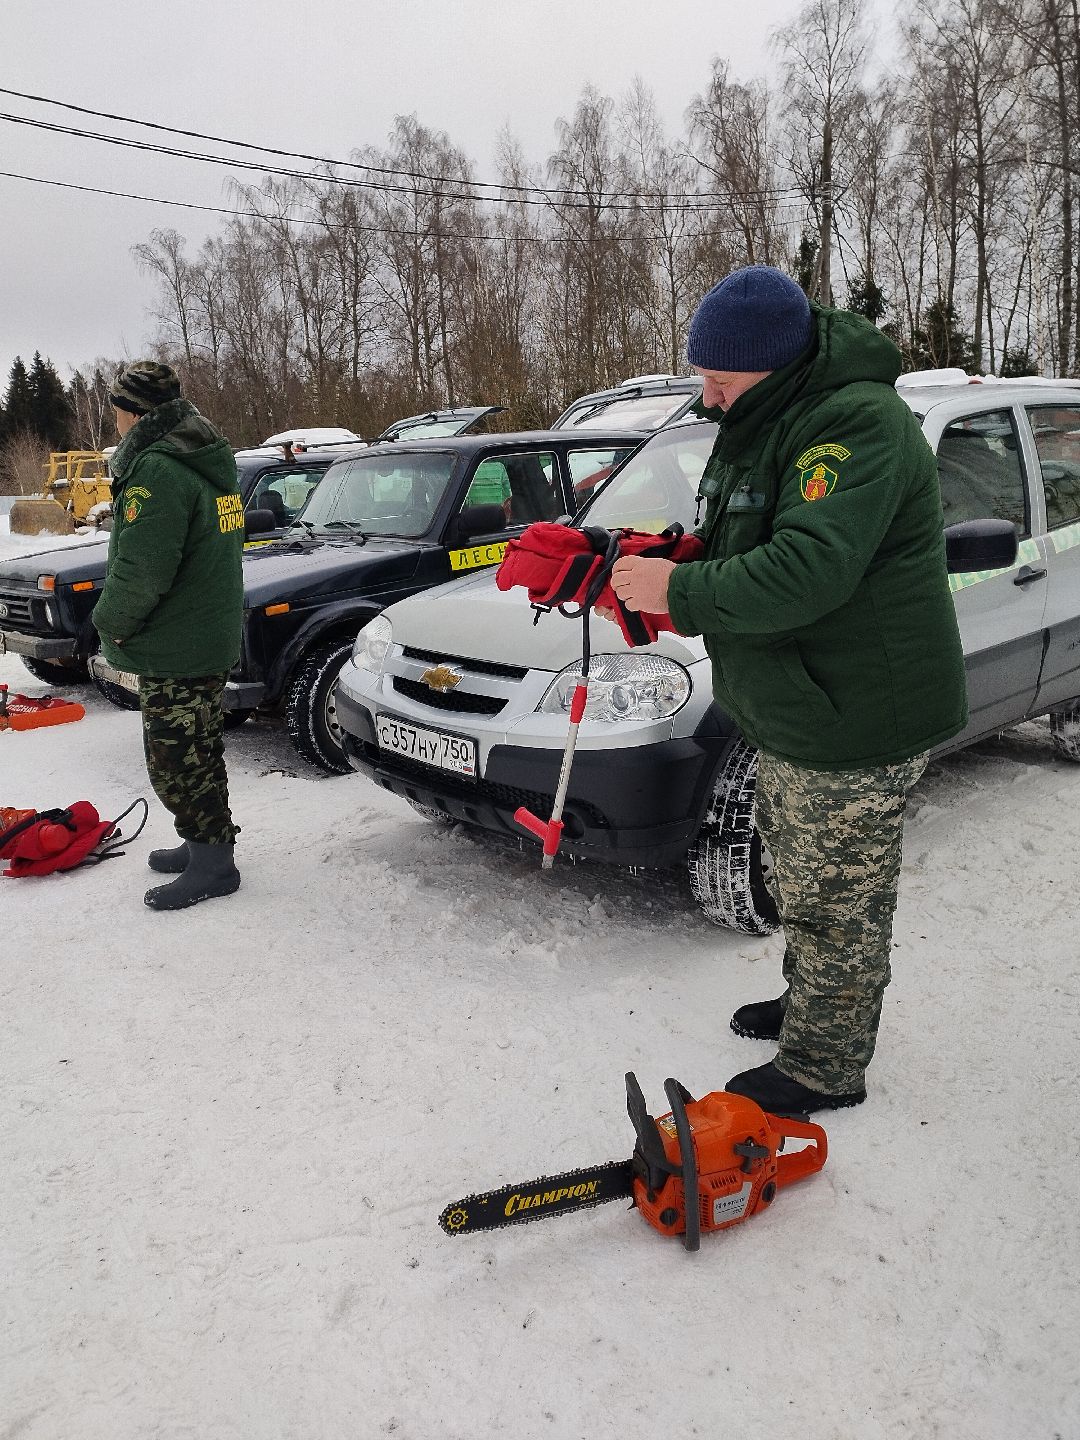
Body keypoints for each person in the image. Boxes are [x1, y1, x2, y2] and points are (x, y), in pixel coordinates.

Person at [609, 265, 967, 1114]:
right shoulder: (768, 418)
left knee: (838, 900)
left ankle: (823, 1065)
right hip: (798, 703)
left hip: (854, 711)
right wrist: (673, 559)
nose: (707, 398)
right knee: (805, 881)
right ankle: (814, 1004)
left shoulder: (856, 424)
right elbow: (750, 535)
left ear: (774, 366)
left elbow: (808, 571)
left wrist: (677, 591)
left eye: (721, 381)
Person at [92, 361, 245, 911]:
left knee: (176, 758)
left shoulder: (157, 470)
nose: (114, 419)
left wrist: (109, 624)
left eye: (117, 409)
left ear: (134, 413)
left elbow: (143, 569)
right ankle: (206, 843)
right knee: (201, 746)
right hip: (207, 632)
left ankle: (213, 865)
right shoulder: (203, 457)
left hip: (179, 643)